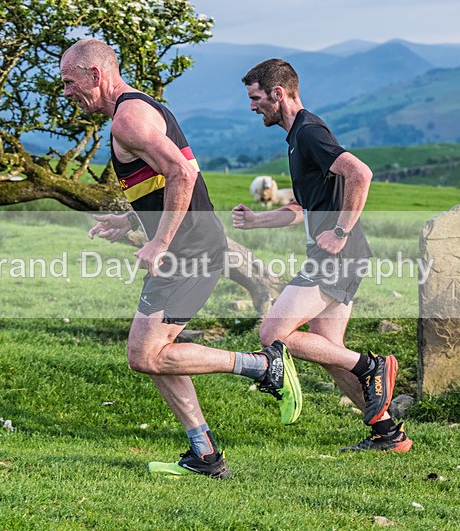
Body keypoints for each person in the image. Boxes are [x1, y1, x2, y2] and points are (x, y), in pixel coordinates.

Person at [60, 39, 303, 478]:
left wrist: (160, 242)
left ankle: (262, 366)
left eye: (69, 81)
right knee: (154, 350)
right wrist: (134, 225)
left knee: (144, 354)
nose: (66, 91)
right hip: (188, 247)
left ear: (95, 75)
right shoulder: (138, 110)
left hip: (189, 251)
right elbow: (164, 186)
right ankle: (204, 452)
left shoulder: (128, 120)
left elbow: (183, 174)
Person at [233, 58, 412, 452]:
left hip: (337, 254)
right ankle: (388, 436)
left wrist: (341, 230)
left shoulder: (309, 132)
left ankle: (372, 366)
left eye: (256, 97)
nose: (252, 106)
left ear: (278, 94)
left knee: (274, 334)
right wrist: (257, 221)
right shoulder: (298, 136)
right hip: (340, 253)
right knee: (329, 350)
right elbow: (303, 207)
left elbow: (360, 173)